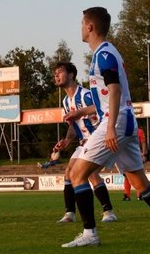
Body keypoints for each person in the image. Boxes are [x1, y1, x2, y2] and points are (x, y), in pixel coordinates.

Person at [61, 7, 150, 248]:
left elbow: (115, 91)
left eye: (82, 23)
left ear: (90, 27)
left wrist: (109, 127)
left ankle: (90, 233)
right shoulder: (107, 53)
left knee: (77, 174)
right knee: (141, 185)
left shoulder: (104, 54)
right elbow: (106, 97)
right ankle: (90, 232)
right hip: (124, 121)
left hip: (116, 123)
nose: (80, 27)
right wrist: (83, 111)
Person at [52, 61, 116, 224]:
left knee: (91, 174)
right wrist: (66, 140)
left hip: (98, 139)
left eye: (60, 72)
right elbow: (74, 125)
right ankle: (70, 214)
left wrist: (82, 111)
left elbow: (103, 106)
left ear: (71, 75)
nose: (56, 76)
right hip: (83, 143)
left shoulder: (86, 94)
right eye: (55, 73)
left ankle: (108, 211)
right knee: (68, 174)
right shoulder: (66, 102)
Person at [123, 125, 147, 201]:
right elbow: (143, 142)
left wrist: (143, 153)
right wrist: (143, 153)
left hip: (132, 155)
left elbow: (143, 142)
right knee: (134, 174)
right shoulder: (138, 131)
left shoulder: (126, 130)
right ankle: (138, 195)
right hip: (134, 154)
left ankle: (128, 195)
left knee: (128, 175)